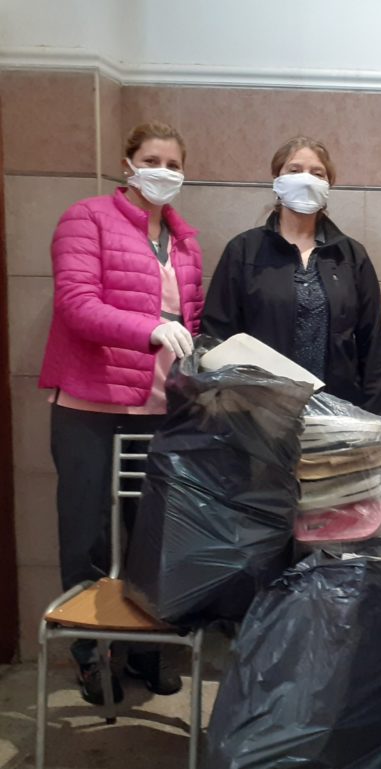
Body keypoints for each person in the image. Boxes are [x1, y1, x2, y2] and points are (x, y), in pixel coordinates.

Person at [39, 121, 204, 705]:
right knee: (86, 534)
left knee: (154, 537)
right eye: (151, 160)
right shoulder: (86, 219)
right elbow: (76, 304)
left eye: (173, 163)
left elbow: (191, 320)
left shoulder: (185, 241)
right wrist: (150, 329)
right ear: (128, 164)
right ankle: (90, 655)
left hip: (158, 407)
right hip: (90, 404)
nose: (163, 171)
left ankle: (145, 651)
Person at [203, 136, 381, 417]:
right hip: (259, 414)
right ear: (277, 179)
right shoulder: (244, 251)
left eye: (317, 173)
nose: (306, 179)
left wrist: (374, 419)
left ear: (328, 185)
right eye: (295, 170)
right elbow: (217, 337)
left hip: (336, 413)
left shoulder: (350, 256)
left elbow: (372, 346)